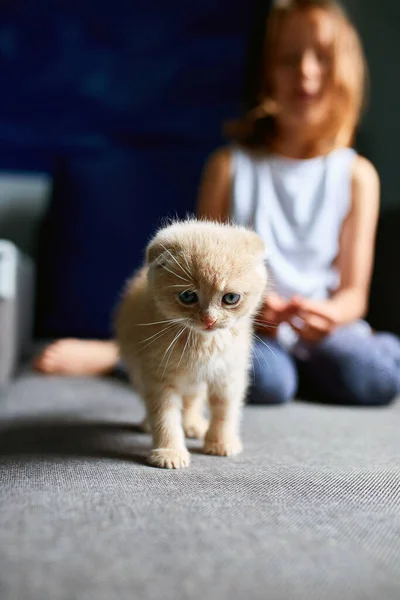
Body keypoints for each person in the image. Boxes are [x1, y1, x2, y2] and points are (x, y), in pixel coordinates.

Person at [34, 0, 400, 406]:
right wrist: (257, 308)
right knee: (267, 382)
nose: (306, 72)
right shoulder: (229, 167)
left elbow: (353, 295)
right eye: (288, 59)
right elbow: (196, 273)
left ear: (345, 68)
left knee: (375, 376)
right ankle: (125, 353)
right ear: (266, 72)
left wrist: (329, 315)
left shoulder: (357, 175)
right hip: (243, 324)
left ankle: (319, 365)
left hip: (324, 331)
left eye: (322, 57)